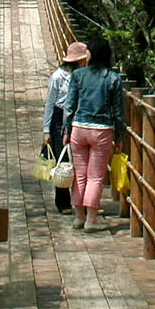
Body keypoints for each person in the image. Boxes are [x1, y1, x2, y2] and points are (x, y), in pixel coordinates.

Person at [62, 35, 124, 231]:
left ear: (93, 53)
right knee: (95, 176)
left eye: (87, 50)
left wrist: (66, 129)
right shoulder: (113, 78)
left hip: (79, 128)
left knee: (80, 174)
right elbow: (118, 112)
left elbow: (69, 105)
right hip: (102, 130)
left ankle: (78, 217)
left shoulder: (78, 75)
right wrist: (119, 137)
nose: (85, 54)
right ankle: (91, 219)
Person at [42, 41, 89, 216]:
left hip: (78, 117)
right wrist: (46, 130)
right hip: (59, 119)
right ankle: (62, 201)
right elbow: (50, 103)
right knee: (63, 161)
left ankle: (81, 200)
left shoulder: (85, 75)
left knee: (79, 160)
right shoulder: (57, 77)